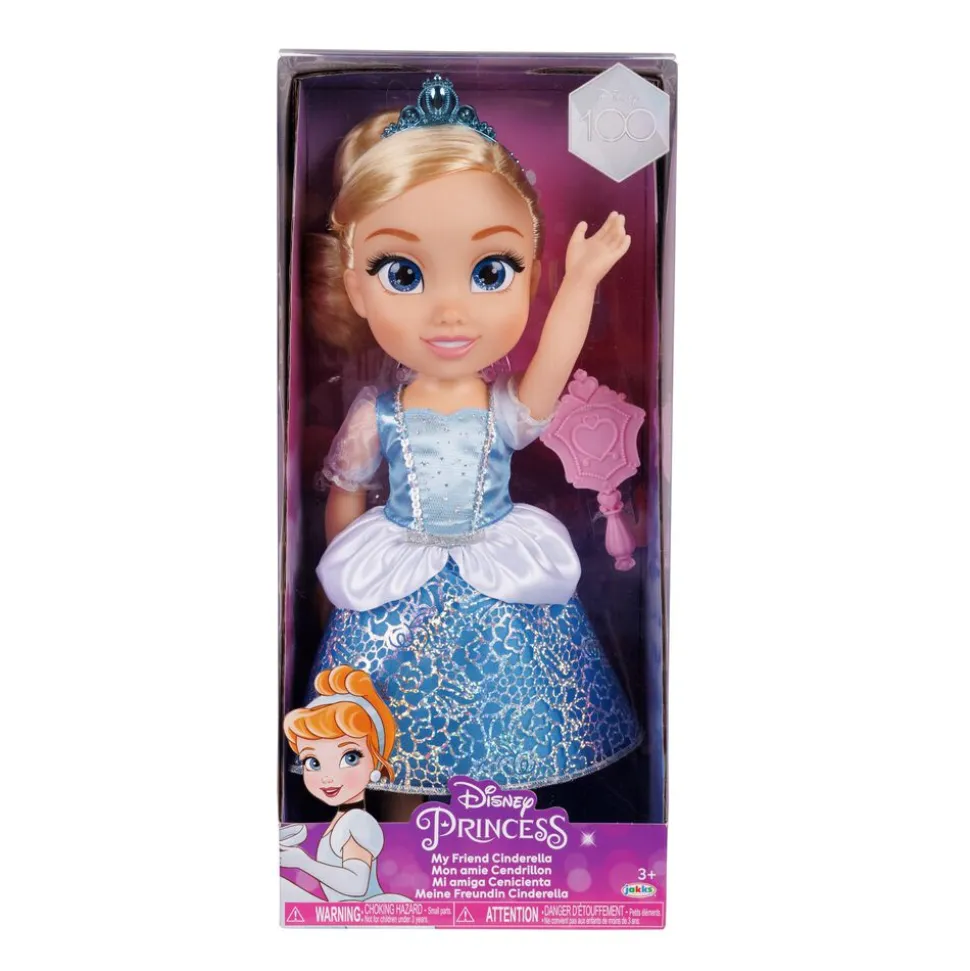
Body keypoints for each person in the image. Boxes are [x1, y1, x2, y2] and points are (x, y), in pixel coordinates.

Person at [306, 75, 641, 815]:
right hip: (398, 579)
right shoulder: (378, 412)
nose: (450, 311)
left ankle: (501, 836)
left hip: (500, 573)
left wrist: (582, 282)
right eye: (402, 274)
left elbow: (550, 367)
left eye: (492, 272)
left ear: (531, 274)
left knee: (508, 722)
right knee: (396, 732)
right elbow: (347, 494)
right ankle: (401, 847)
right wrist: (344, 581)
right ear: (356, 287)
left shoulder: (503, 408)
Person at [280, 666, 408, 902]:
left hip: (364, 911)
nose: (328, 776)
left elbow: (356, 884)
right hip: (344, 913)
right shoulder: (343, 819)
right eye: (313, 762)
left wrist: (303, 863)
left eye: (350, 758)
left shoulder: (357, 820)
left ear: (376, 761)